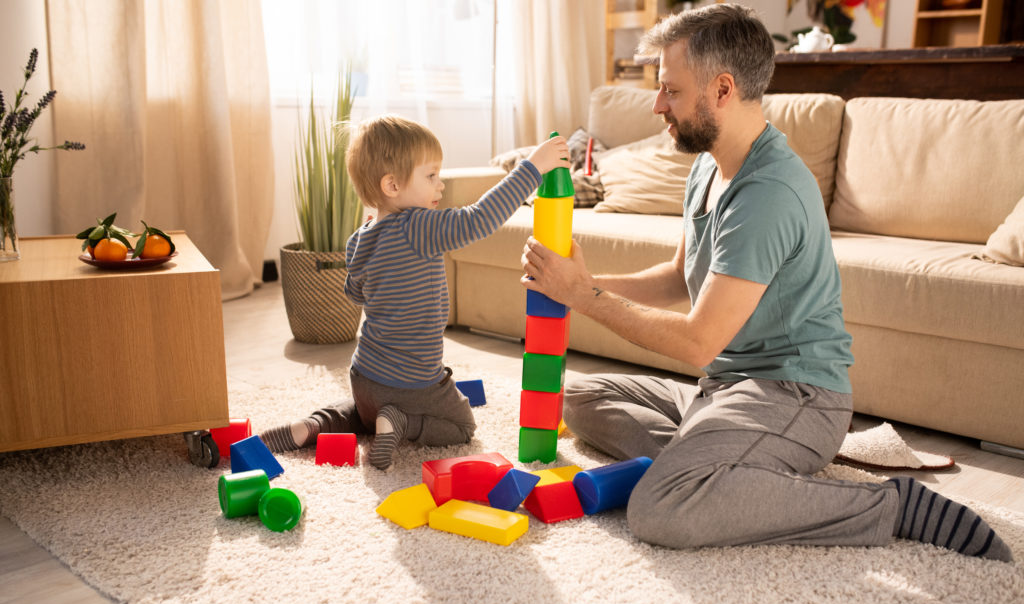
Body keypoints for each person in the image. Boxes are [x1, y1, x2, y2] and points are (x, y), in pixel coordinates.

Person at [520, 4, 1012, 562]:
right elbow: (680, 277)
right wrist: (577, 281)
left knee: (661, 509)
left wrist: (583, 296)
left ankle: (888, 506)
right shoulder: (708, 165)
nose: (657, 105)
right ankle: (723, 467)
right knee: (580, 397)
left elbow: (696, 341)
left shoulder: (767, 193)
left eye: (670, 91)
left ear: (722, 89)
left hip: (796, 396)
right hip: (725, 388)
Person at [262, 115, 569, 470]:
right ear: (392, 185)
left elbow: (356, 294)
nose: (440, 186)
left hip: (364, 376)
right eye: (431, 176)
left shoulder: (359, 238)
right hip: (413, 382)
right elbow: (480, 218)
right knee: (462, 425)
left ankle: (315, 424)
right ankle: (401, 422)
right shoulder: (419, 226)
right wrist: (532, 168)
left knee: (365, 414)